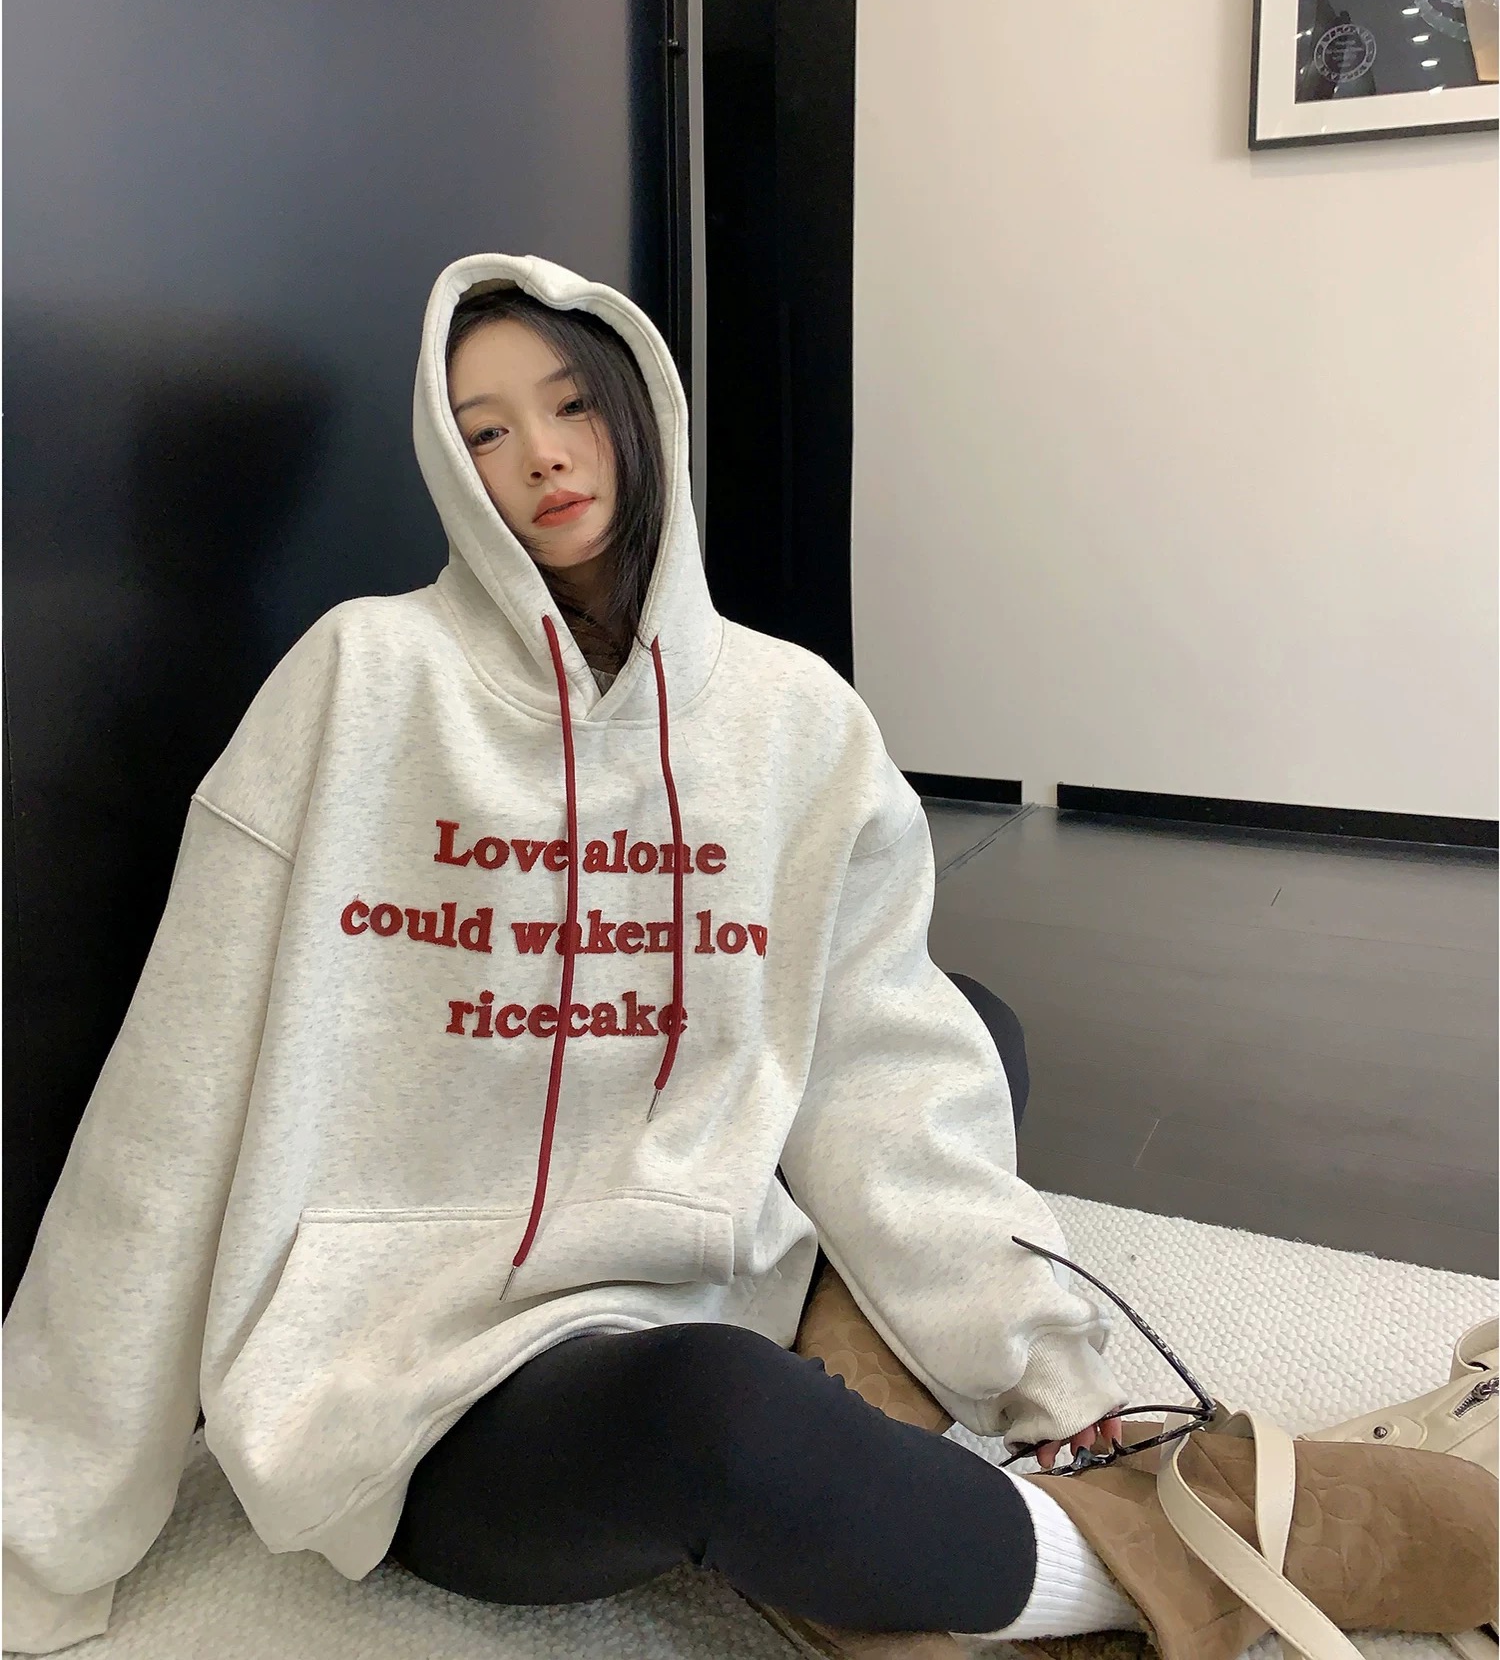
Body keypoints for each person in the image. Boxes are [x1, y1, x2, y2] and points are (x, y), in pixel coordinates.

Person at [4, 256, 1490, 1660]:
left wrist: (1055, 1383)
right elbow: (173, 1108)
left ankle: (873, 1474)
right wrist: (39, 1534)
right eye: (487, 430)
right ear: (450, 466)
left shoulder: (794, 717)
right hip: (442, 1395)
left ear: (641, 407)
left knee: (963, 1030)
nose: (544, 456)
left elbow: (885, 1071)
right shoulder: (357, 682)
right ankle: (1175, 1557)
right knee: (722, 1418)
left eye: (573, 404)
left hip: (708, 1270)